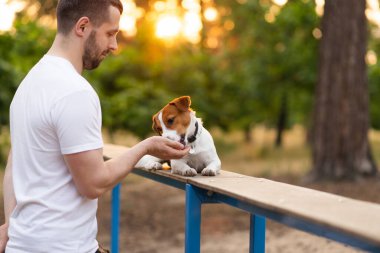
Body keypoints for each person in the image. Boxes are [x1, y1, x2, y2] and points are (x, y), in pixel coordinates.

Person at [0, 0, 189, 252]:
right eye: (110, 34)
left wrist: (10, 223)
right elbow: (93, 183)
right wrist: (146, 147)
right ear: (83, 27)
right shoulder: (74, 92)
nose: (114, 46)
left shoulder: (29, 84)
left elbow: (16, 161)